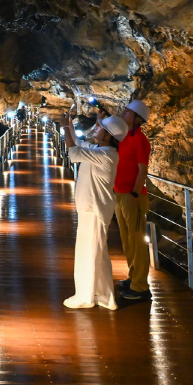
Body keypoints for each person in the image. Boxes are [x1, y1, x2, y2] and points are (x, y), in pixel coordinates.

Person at [60, 112, 128, 310]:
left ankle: (85, 296)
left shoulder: (105, 155)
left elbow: (73, 152)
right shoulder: (101, 151)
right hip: (92, 208)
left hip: (94, 209)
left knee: (87, 252)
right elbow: (78, 144)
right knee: (98, 252)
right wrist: (70, 126)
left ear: (108, 136)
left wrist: (65, 127)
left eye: (100, 128)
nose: (95, 128)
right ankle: (105, 295)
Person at [114, 99, 152, 301]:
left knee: (137, 241)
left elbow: (142, 169)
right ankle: (133, 276)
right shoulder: (123, 137)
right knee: (127, 240)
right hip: (119, 193)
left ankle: (140, 287)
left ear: (137, 119)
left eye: (128, 112)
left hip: (132, 196)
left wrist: (135, 194)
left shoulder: (140, 140)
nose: (123, 113)